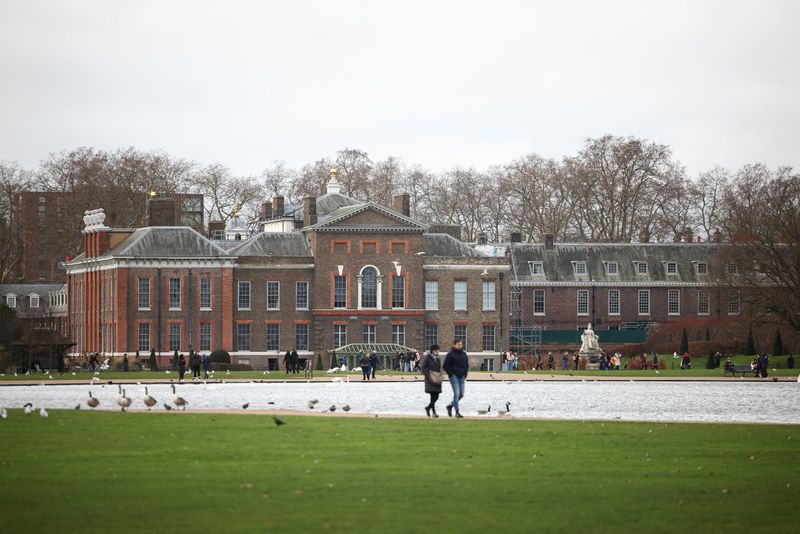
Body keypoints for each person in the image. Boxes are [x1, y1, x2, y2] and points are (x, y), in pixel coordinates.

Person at [443, 339, 469, 418]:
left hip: (462, 377)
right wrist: (451, 374)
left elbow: (466, 365)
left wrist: (465, 374)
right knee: (456, 394)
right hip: (454, 377)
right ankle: (457, 412)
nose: (460, 346)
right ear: (454, 345)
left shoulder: (464, 354)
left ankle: (450, 406)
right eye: (458, 345)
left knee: (461, 394)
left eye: (461, 344)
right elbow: (445, 366)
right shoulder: (450, 354)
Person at [420, 344, 443, 417]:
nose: (438, 351)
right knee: (432, 396)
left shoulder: (438, 358)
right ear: (433, 350)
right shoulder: (428, 358)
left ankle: (428, 408)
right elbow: (423, 368)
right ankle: (433, 412)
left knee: (436, 396)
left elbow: (439, 368)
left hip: (436, 379)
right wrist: (428, 375)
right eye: (437, 350)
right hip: (430, 380)